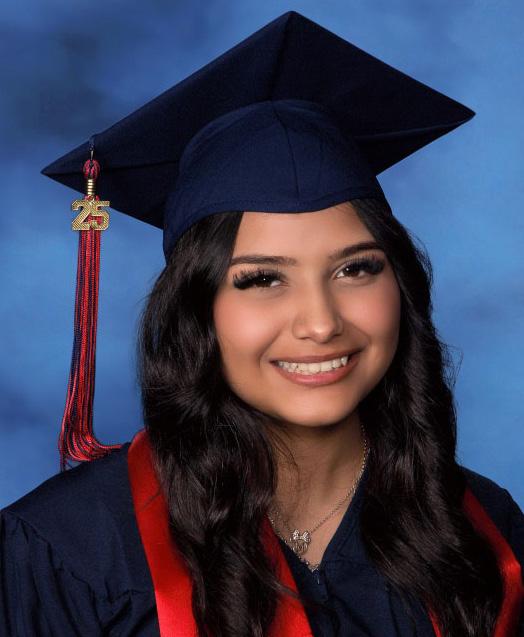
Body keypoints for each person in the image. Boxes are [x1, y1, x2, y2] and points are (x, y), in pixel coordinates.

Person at [1, 10, 523, 637]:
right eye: (262, 279)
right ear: (198, 310)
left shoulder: (483, 530)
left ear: (401, 287)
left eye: (355, 269)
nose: (321, 323)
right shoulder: (72, 551)